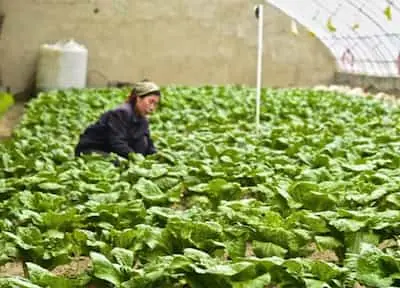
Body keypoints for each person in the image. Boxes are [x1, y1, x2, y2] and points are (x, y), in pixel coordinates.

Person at [75, 79, 161, 159]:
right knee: (116, 163)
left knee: (143, 140)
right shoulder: (121, 112)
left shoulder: (143, 120)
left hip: (111, 151)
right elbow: (117, 142)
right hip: (93, 149)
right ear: (138, 98)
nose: (152, 107)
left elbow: (149, 145)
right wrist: (136, 159)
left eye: (156, 104)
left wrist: (157, 157)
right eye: (150, 102)